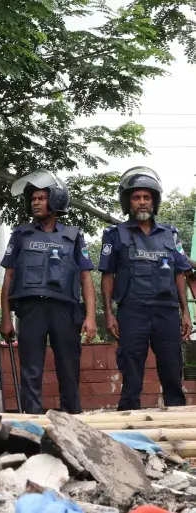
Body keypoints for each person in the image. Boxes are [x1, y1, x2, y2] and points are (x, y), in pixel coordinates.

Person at [0, 171, 97, 414]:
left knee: (68, 369)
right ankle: (33, 423)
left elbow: (86, 278)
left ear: (56, 200)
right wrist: (5, 318)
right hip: (31, 310)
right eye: (33, 198)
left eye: (42, 198)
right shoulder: (21, 234)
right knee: (30, 371)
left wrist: (91, 317)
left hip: (65, 310)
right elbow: (8, 277)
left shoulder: (73, 236)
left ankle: (72, 420)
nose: (36, 202)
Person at [99, 167, 192, 410]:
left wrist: (185, 313)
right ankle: (129, 427)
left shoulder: (170, 234)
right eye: (136, 197)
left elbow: (180, 274)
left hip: (167, 312)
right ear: (128, 202)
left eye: (146, 197)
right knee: (131, 374)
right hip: (132, 312)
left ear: (154, 201)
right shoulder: (114, 234)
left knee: (172, 370)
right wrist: (109, 313)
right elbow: (107, 276)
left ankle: (176, 423)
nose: (142, 202)